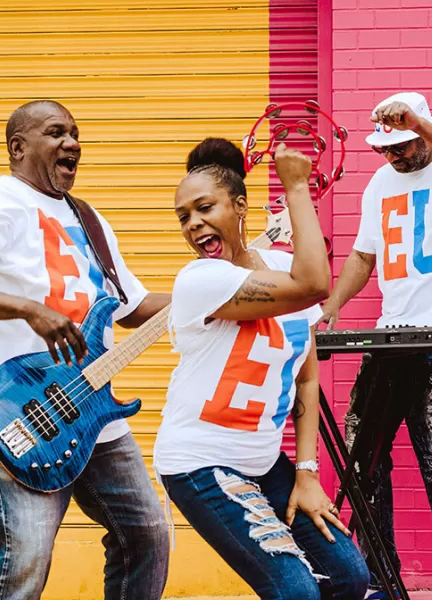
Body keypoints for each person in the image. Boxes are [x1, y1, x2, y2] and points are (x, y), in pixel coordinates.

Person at [0, 100, 171, 600]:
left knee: (147, 532)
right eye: (56, 132)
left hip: (94, 407)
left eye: (76, 134)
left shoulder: (90, 220)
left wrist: (224, 289)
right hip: (20, 405)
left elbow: (134, 305)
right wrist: (29, 310)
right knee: (28, 553)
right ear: (18, 147)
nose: (72, 143)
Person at [154, 137, 369, 600]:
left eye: (205, 207)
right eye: (184, 217)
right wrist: (297, 187)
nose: (194, 224)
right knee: (295, 593)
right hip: (200, 463)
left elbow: (307, 376)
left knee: (350, 579)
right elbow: (315, 283)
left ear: (239, 206)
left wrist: (307, 474)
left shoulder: (279, 265)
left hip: (264, 463)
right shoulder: (200, 281)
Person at [318, 91, 432, 600]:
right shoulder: (379, 184)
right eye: (385, 149)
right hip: (392, 335)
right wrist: (332, 306)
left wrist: (418, 122)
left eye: (400, 146)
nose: (392, 156)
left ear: (423, 132)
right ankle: (380, 579)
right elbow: (363, 257)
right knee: (361, 458)